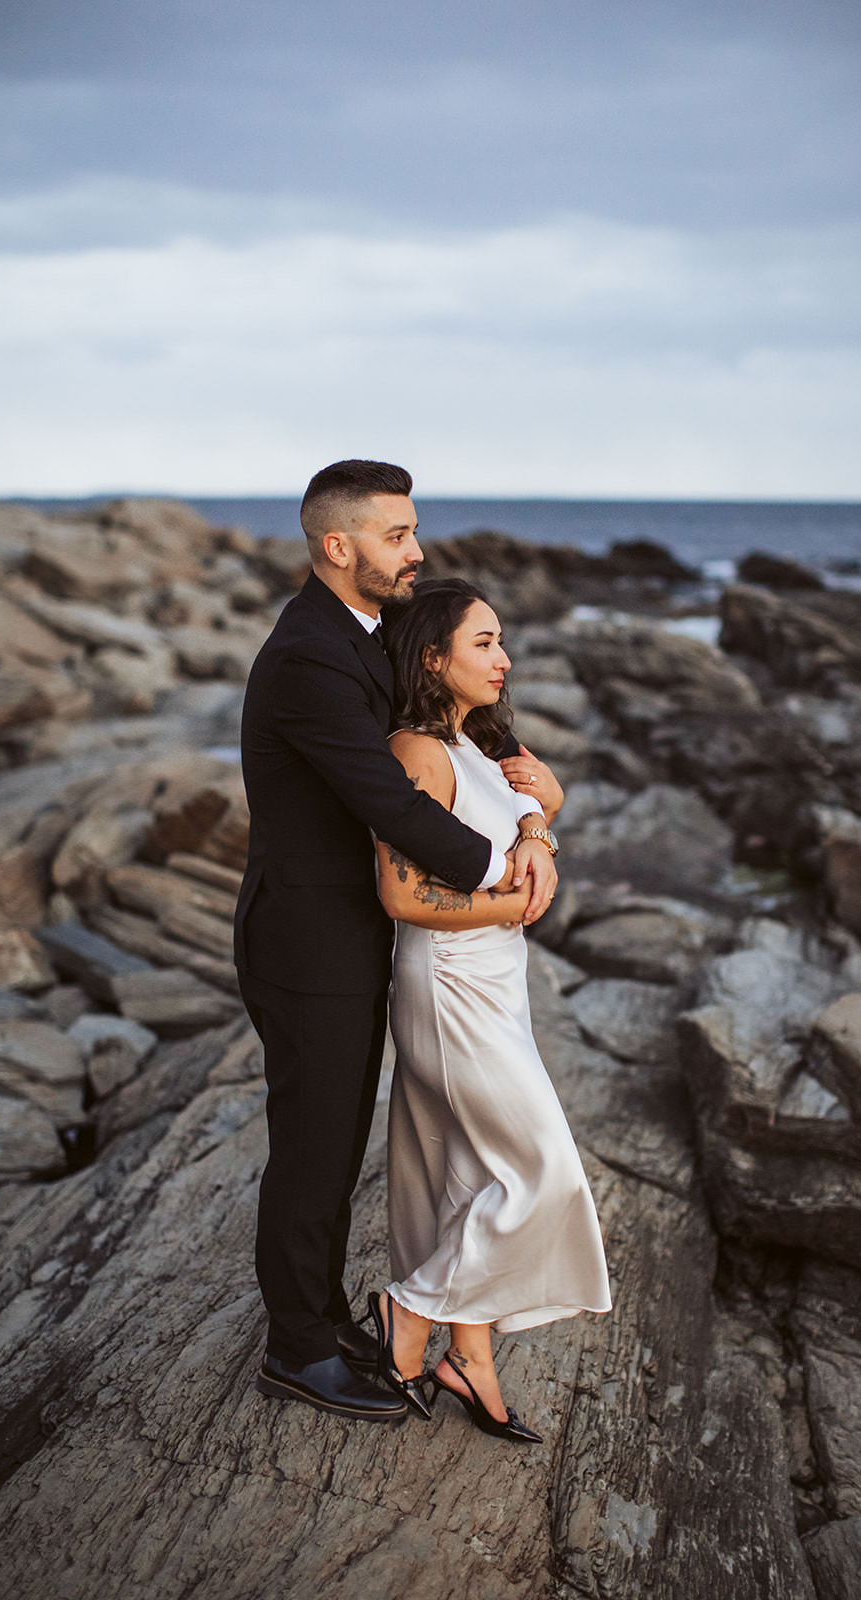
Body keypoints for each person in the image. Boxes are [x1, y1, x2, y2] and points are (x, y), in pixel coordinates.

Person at [234, 460, 562, 1421]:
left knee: (336, 1143)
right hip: (309, 940)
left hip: (358, 934)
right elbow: (381, 797)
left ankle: (329, 1319)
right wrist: (498, 865)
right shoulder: (308, 657)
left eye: (413, 532)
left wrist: (529, 811)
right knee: (314, 1145)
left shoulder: (367, 637)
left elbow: (454, 723)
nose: (414, 551)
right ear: (336, 548)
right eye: (394, 536)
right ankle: (298, 1347)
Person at [367, 577, 611, 1441]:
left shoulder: (479, 743)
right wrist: (514, 904)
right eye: (483, 643)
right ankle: (409, 1307)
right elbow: (400, 896)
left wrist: (543, 817)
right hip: (448, 982)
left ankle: (467, 1360)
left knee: (473, 1173)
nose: (503, 658)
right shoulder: (416, 752)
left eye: (502, 640)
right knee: (541, 1168)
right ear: (431, 658)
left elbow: (528, 818)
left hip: (498, 983)